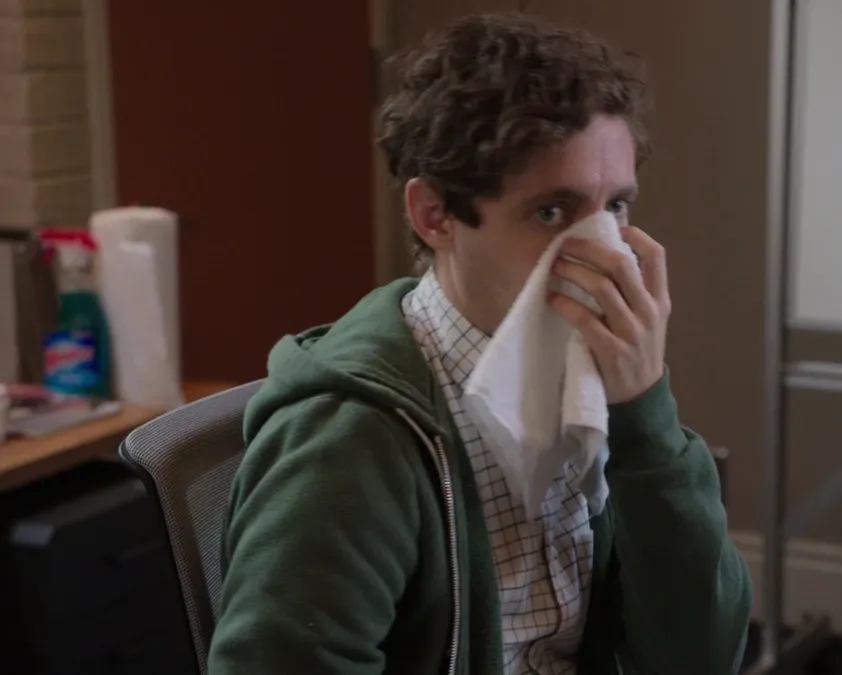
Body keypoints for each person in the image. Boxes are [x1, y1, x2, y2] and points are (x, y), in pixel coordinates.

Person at [207, 12, 751, 675]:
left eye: (615, 207)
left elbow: (703, 656)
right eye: (550, 212)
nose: (603, 254)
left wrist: (644, 412)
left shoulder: (588, 380)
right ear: (435, 215)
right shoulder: (350, 438)